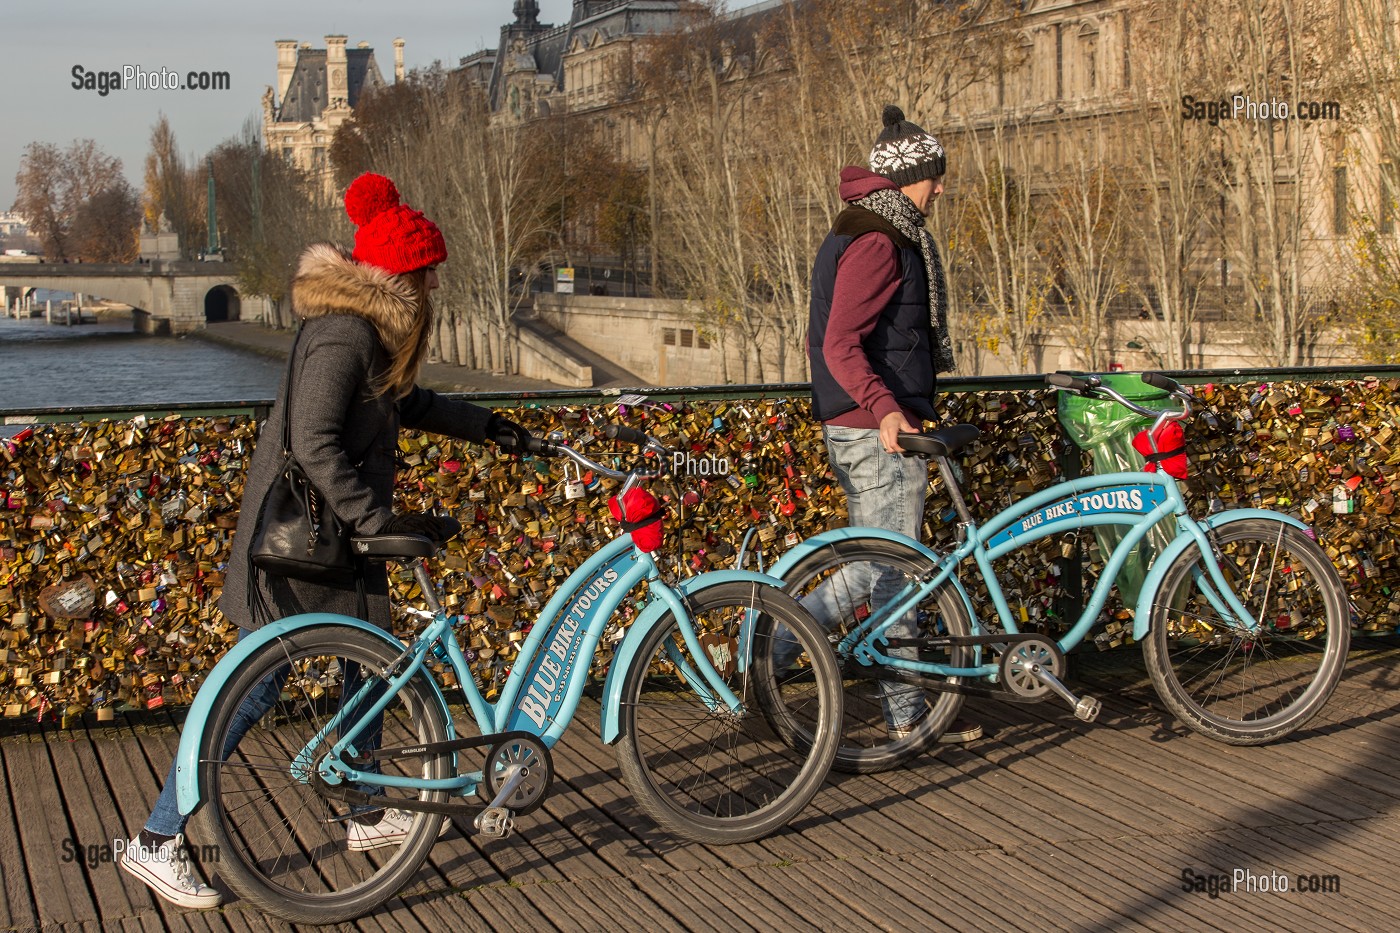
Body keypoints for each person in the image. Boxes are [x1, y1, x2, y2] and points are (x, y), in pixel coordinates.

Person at [120, 172, 532, 909]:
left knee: (368, 665)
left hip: (330, 544)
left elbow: (409, 402)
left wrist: (488, 426)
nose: (435, 283)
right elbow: (311, 440)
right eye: (428, 271)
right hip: (300, 548)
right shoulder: (344, 335)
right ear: (403, 276)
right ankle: (157, 838)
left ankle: (368, 809)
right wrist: (375, 521)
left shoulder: (363, 331)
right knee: (252, 690)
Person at [804, 105, 981, 745]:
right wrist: (886, 409)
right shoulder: (881, 241)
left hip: (857, 424)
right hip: (877, 431)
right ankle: (908, 719)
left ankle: (770, 645)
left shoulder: (866, 229)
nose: (941, 189)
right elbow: (838, 343)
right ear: (911, 179)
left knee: (869, 567)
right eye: (936, 177)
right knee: (894, 575)